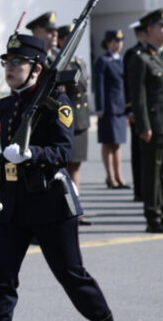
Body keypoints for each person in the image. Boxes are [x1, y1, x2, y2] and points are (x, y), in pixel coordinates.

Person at [0, 31, 112, 320]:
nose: (10, 68)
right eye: (7, 62)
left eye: (18, 62)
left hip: (49, 203)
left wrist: (33, 154)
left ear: (37, 68)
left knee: (71, 276)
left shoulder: (57, 102)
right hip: (10, 203)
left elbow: (63, 152)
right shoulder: (5, 106)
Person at [129, 8, 163, 233]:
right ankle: (152, 216)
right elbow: (138, 95)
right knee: (152, 171)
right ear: (150, 29)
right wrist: (143, 125)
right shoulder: (140, 58)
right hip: (153, 124)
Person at [56, 23, 92, 224]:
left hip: (82, 120)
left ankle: (76, 209)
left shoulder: (78, 61)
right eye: (69, 37)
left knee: (76, 167)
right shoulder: (60, 61)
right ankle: (67, 210)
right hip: (68, 121)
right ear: (61, 40)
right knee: (65, 168)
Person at [92, 30, 127, 189]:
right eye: (113, 41)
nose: (117, 44)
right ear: (107, 43)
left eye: (119, 41)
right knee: (108, 143)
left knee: (118, 143)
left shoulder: (122, 60)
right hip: (108, 107)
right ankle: (110, 177)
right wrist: (99, 107)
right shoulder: (103, 60)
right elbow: (98, 86)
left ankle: (119, 176)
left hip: (120, 107)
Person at [123, 21, 148, 202]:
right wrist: (130, 108)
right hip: (137, 110)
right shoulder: (133, 54)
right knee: (138, 153)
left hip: (151, 110)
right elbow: (129, 85)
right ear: (140, 35)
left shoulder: (152, 53)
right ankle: (140, 190)